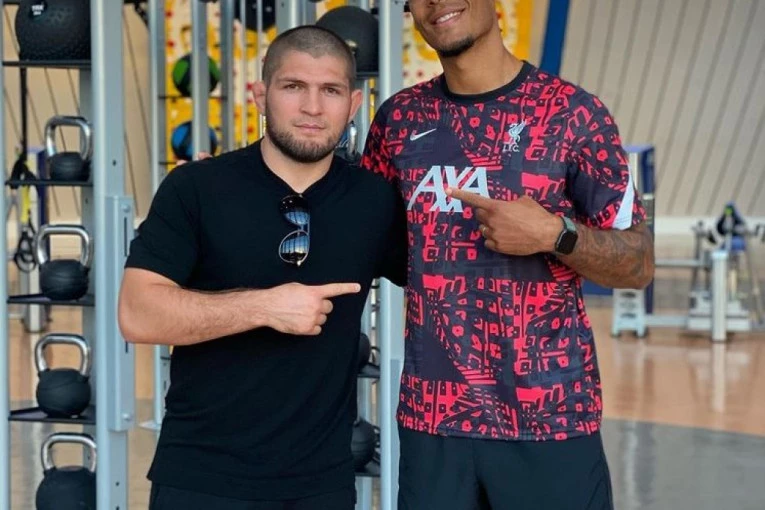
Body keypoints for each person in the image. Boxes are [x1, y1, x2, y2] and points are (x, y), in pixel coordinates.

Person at [359, 1, 655, 509]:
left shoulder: (573, 113)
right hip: (435, 422)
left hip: (550, 418)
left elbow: (639, 264)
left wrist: (556, 235)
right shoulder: (399, 121)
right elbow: (378, 245)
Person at [118, 25, 407, 510]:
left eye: (330, 90)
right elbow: (137, 314)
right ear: (260, 95)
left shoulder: (375, 201)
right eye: (294, 86)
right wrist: (265, 307)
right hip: (201, 479)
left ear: (354, 104)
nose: (312, 107)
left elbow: (448, 281)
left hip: (321, 484)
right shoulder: (196, 188)